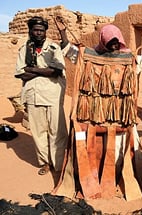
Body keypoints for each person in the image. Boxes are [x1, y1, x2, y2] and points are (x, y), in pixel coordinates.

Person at [53, 17, 142, 199]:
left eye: (116, 42)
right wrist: (63, 32)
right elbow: (71, 52)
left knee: (119, 147)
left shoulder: (127, 59)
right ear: (103, 41)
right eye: (111, 43)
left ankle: (116, 177)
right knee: (93, 145)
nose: (114, 46)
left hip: (119, 113)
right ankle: (91, 179)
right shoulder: (89, 56)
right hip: (92, 113)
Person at [15, 16, 68, 175]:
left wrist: (33, 69)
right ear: (30, 31)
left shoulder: (53, 48)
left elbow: (57, 71)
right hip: (33, 96)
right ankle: (45, 163)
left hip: (52, 95)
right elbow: (21, 74)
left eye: (41, 30)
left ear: (45, 32)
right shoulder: (24, 49)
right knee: (38, 133)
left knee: (57, 132)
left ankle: (59, 163)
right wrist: (44, 71)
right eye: (36, 30)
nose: (39, 33)